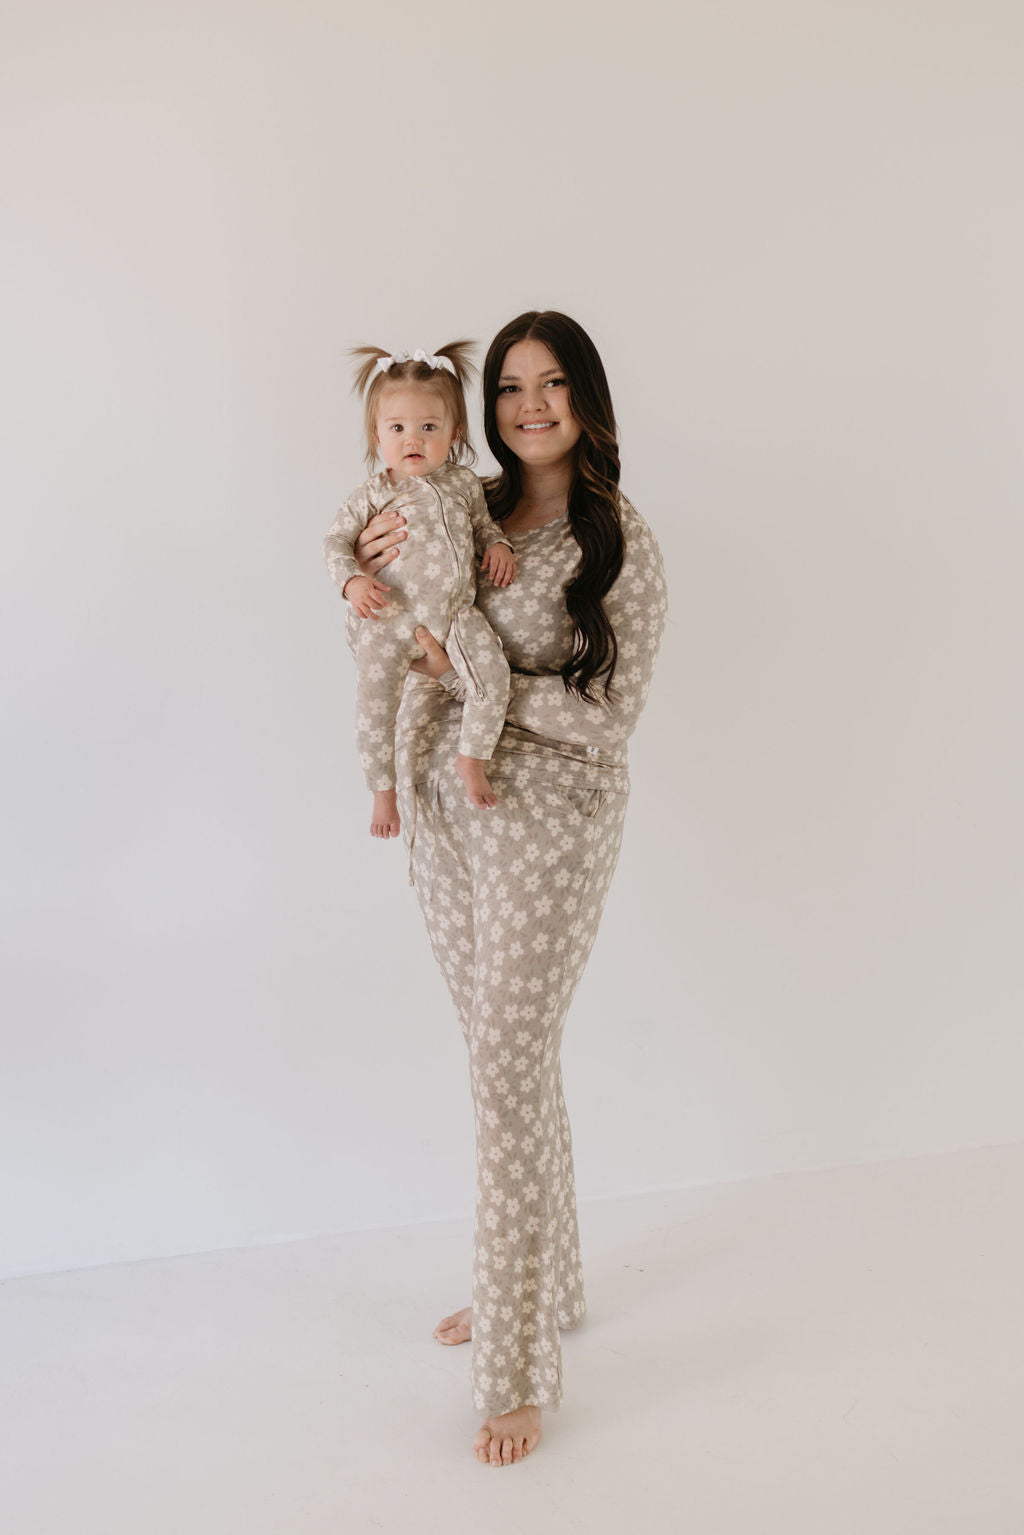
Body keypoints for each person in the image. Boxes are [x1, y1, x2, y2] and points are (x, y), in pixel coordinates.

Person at [344, 311, 668, 1467]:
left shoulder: (615, 536)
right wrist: (365, 572)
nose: (530, 404)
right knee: (502, 1049)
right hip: (446, 806)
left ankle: (518, 1363)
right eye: (513, 387)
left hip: (553, 817)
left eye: (553, 384)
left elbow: (608, 718)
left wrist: (478, 675)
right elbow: (383, 565)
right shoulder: (464, 501)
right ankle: (541, 1283)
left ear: (587, 397)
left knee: (507, 1061)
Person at [323, 344, 517, 837]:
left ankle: (471, 757)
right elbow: (336, 542)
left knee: (493, 675)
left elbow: (484, 525)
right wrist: (352, 580)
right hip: (388, 621)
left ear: (454, 434)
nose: (413, 438)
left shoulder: (464, 485)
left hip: (456, 617)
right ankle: (383, 796)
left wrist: (498, 546)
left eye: (429, 427)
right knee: (374, 710)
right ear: (377, 435)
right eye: (397, 428)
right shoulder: (372, 493)